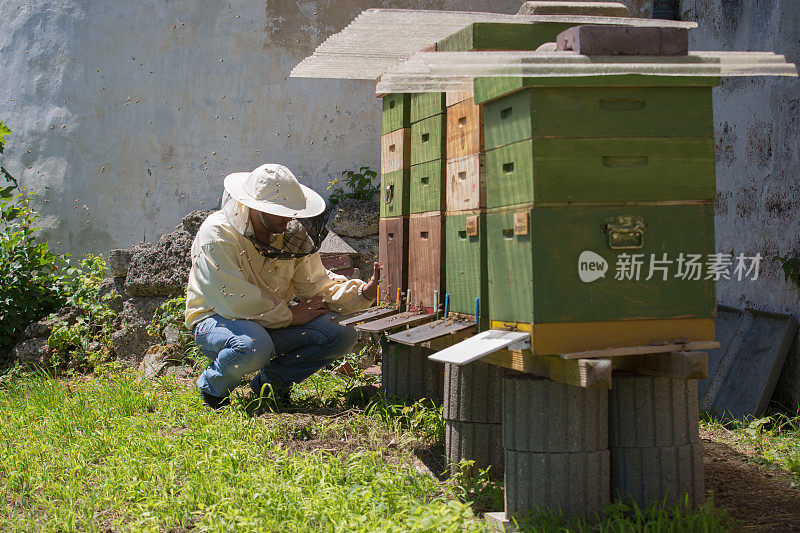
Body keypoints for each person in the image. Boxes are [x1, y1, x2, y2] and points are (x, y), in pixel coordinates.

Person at [184, 163, 380, 409]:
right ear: (256, 208)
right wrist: (291, 316)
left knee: (341, 333)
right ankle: (213, 389)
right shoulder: (217, 233)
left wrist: (363, 292)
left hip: (272, 322)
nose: (289, 217)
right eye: (281, 211)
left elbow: (316, 284)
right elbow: (233, 300)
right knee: (253, 345)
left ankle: (268, 387)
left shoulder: (290, 233)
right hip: (216, 320)